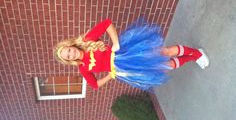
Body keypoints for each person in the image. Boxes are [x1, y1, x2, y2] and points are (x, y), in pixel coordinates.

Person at [54, 18, 209, 90]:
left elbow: (107, 24)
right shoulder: (83, 69)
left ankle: (196, 53)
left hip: (126, 53)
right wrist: (111, 75)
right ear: (69, 60)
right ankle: (192, 57)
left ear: (70, 45)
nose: (71, 53)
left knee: (163, 53)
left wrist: (115, 43)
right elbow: (94, 84)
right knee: (163, 66)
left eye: (68, 50)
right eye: (68, 56)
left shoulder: (88, 40)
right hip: (124, 70)